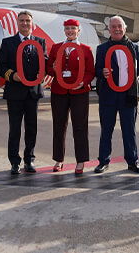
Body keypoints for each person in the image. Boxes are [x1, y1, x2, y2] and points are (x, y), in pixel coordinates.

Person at [0, 11, 47, 175]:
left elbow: (44, 64)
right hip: (15, 93)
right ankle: (14, 161)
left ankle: (29, 159)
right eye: (22, 21)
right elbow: (1, 66)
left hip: (33, 93)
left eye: (27, 21)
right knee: (15, 129)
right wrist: (12, 75)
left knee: (32, 128)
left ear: (32, 23)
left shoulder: (40, 42)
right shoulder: (8, 42)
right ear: (17, 23)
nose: (25, 23)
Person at [94, 16, 139, 174]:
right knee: (106, 130)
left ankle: (132, 161)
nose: (116, 29)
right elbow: (97, 70)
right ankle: (103, 161)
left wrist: (132, 71)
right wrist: (102, 72)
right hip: (108, 96)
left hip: (127, 96)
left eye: (119, 26)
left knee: (129, 130)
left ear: (124, 28)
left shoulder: (134, 47)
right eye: (113, 26)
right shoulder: (102, 49)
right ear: (109, 29)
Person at [46, 19, 95, 174]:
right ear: (64, 30)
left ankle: (80, 160)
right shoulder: (56, 47)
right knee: (59, 126)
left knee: (80, 126)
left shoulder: (86, 49)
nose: (70, 31)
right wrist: (53, 69)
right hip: (59, 91)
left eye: (73, 28)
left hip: (79, 92)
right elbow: (48, 68)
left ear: (78, 30)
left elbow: (90, 71)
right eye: (67, 28)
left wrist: (83, 82)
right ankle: (58, 159)